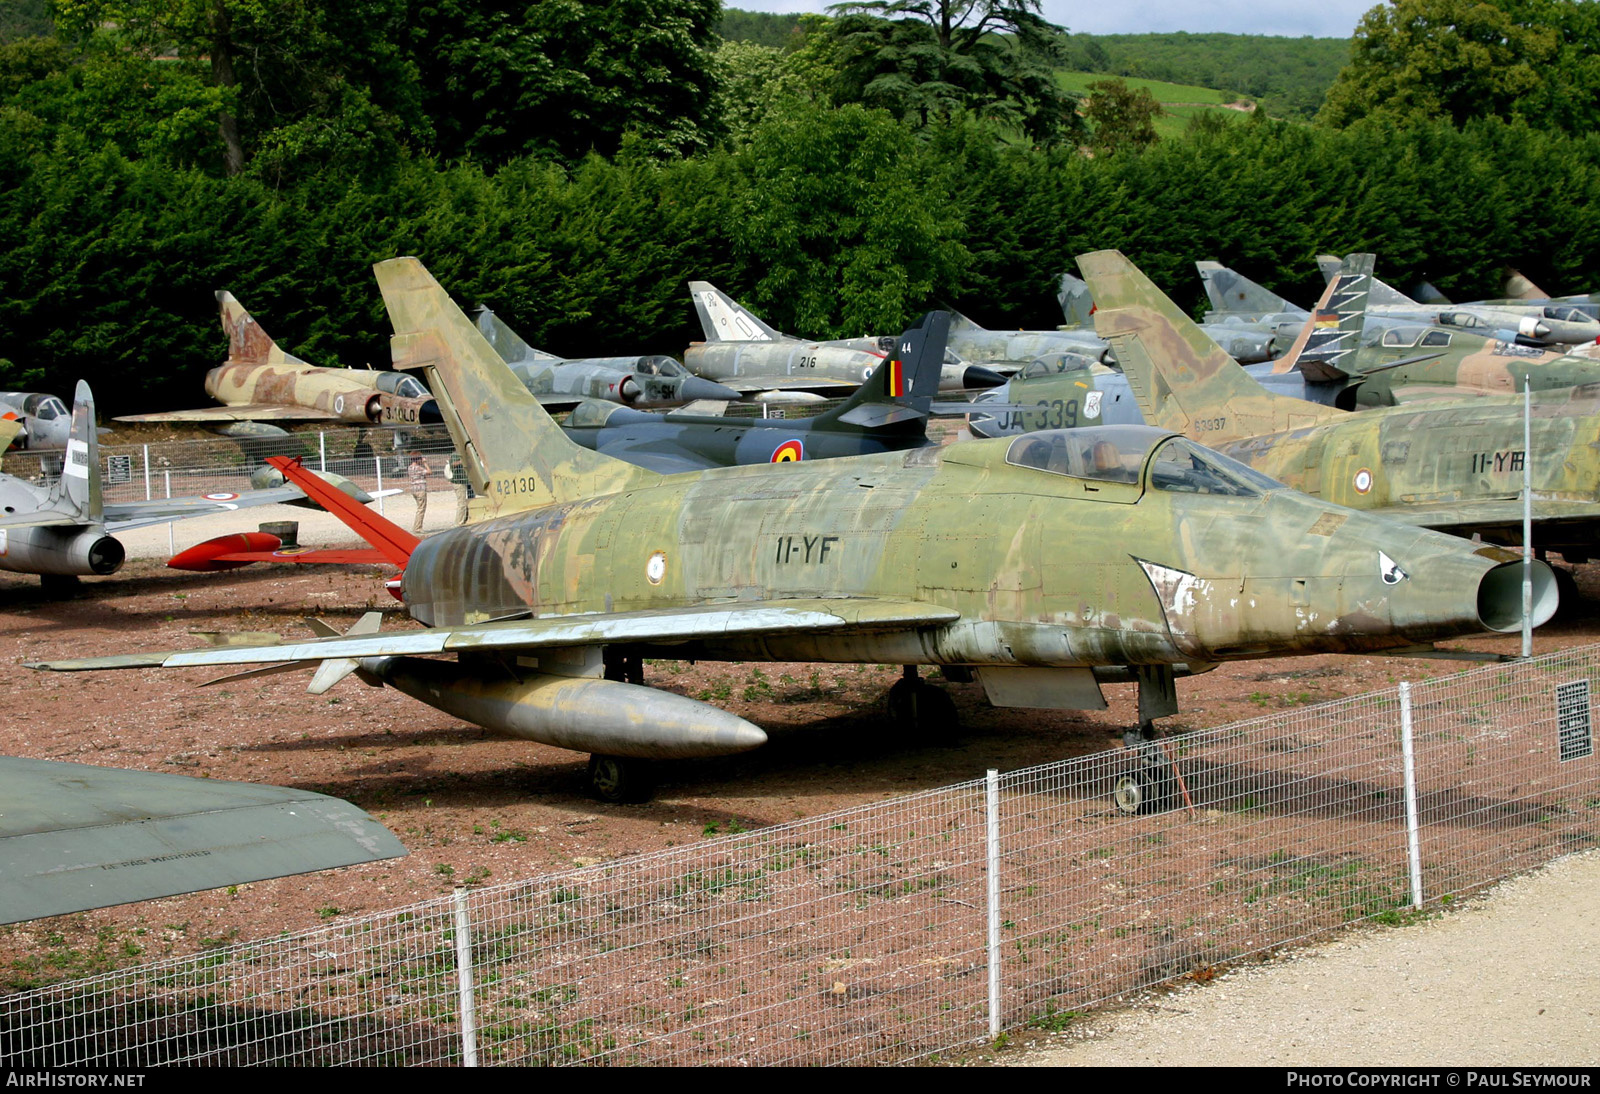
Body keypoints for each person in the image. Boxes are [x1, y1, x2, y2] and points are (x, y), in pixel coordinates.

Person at [407, 452, 432, 533]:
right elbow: (429, 472)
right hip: (420, 489)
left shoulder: (410, 467)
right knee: (421, 509)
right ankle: (418, 528)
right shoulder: (418, 468)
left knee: (419, 508)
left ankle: (417, 526)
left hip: (414, 489)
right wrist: (425, 463)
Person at [445, 453, 470, 526]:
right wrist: (462, 461)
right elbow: (453, 464)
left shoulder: (460, 454)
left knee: (463, 502)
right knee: (462, 503)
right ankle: (458, 522)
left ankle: (463, 520)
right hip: (458, 481)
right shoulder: (456, 455)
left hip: (463, 481)